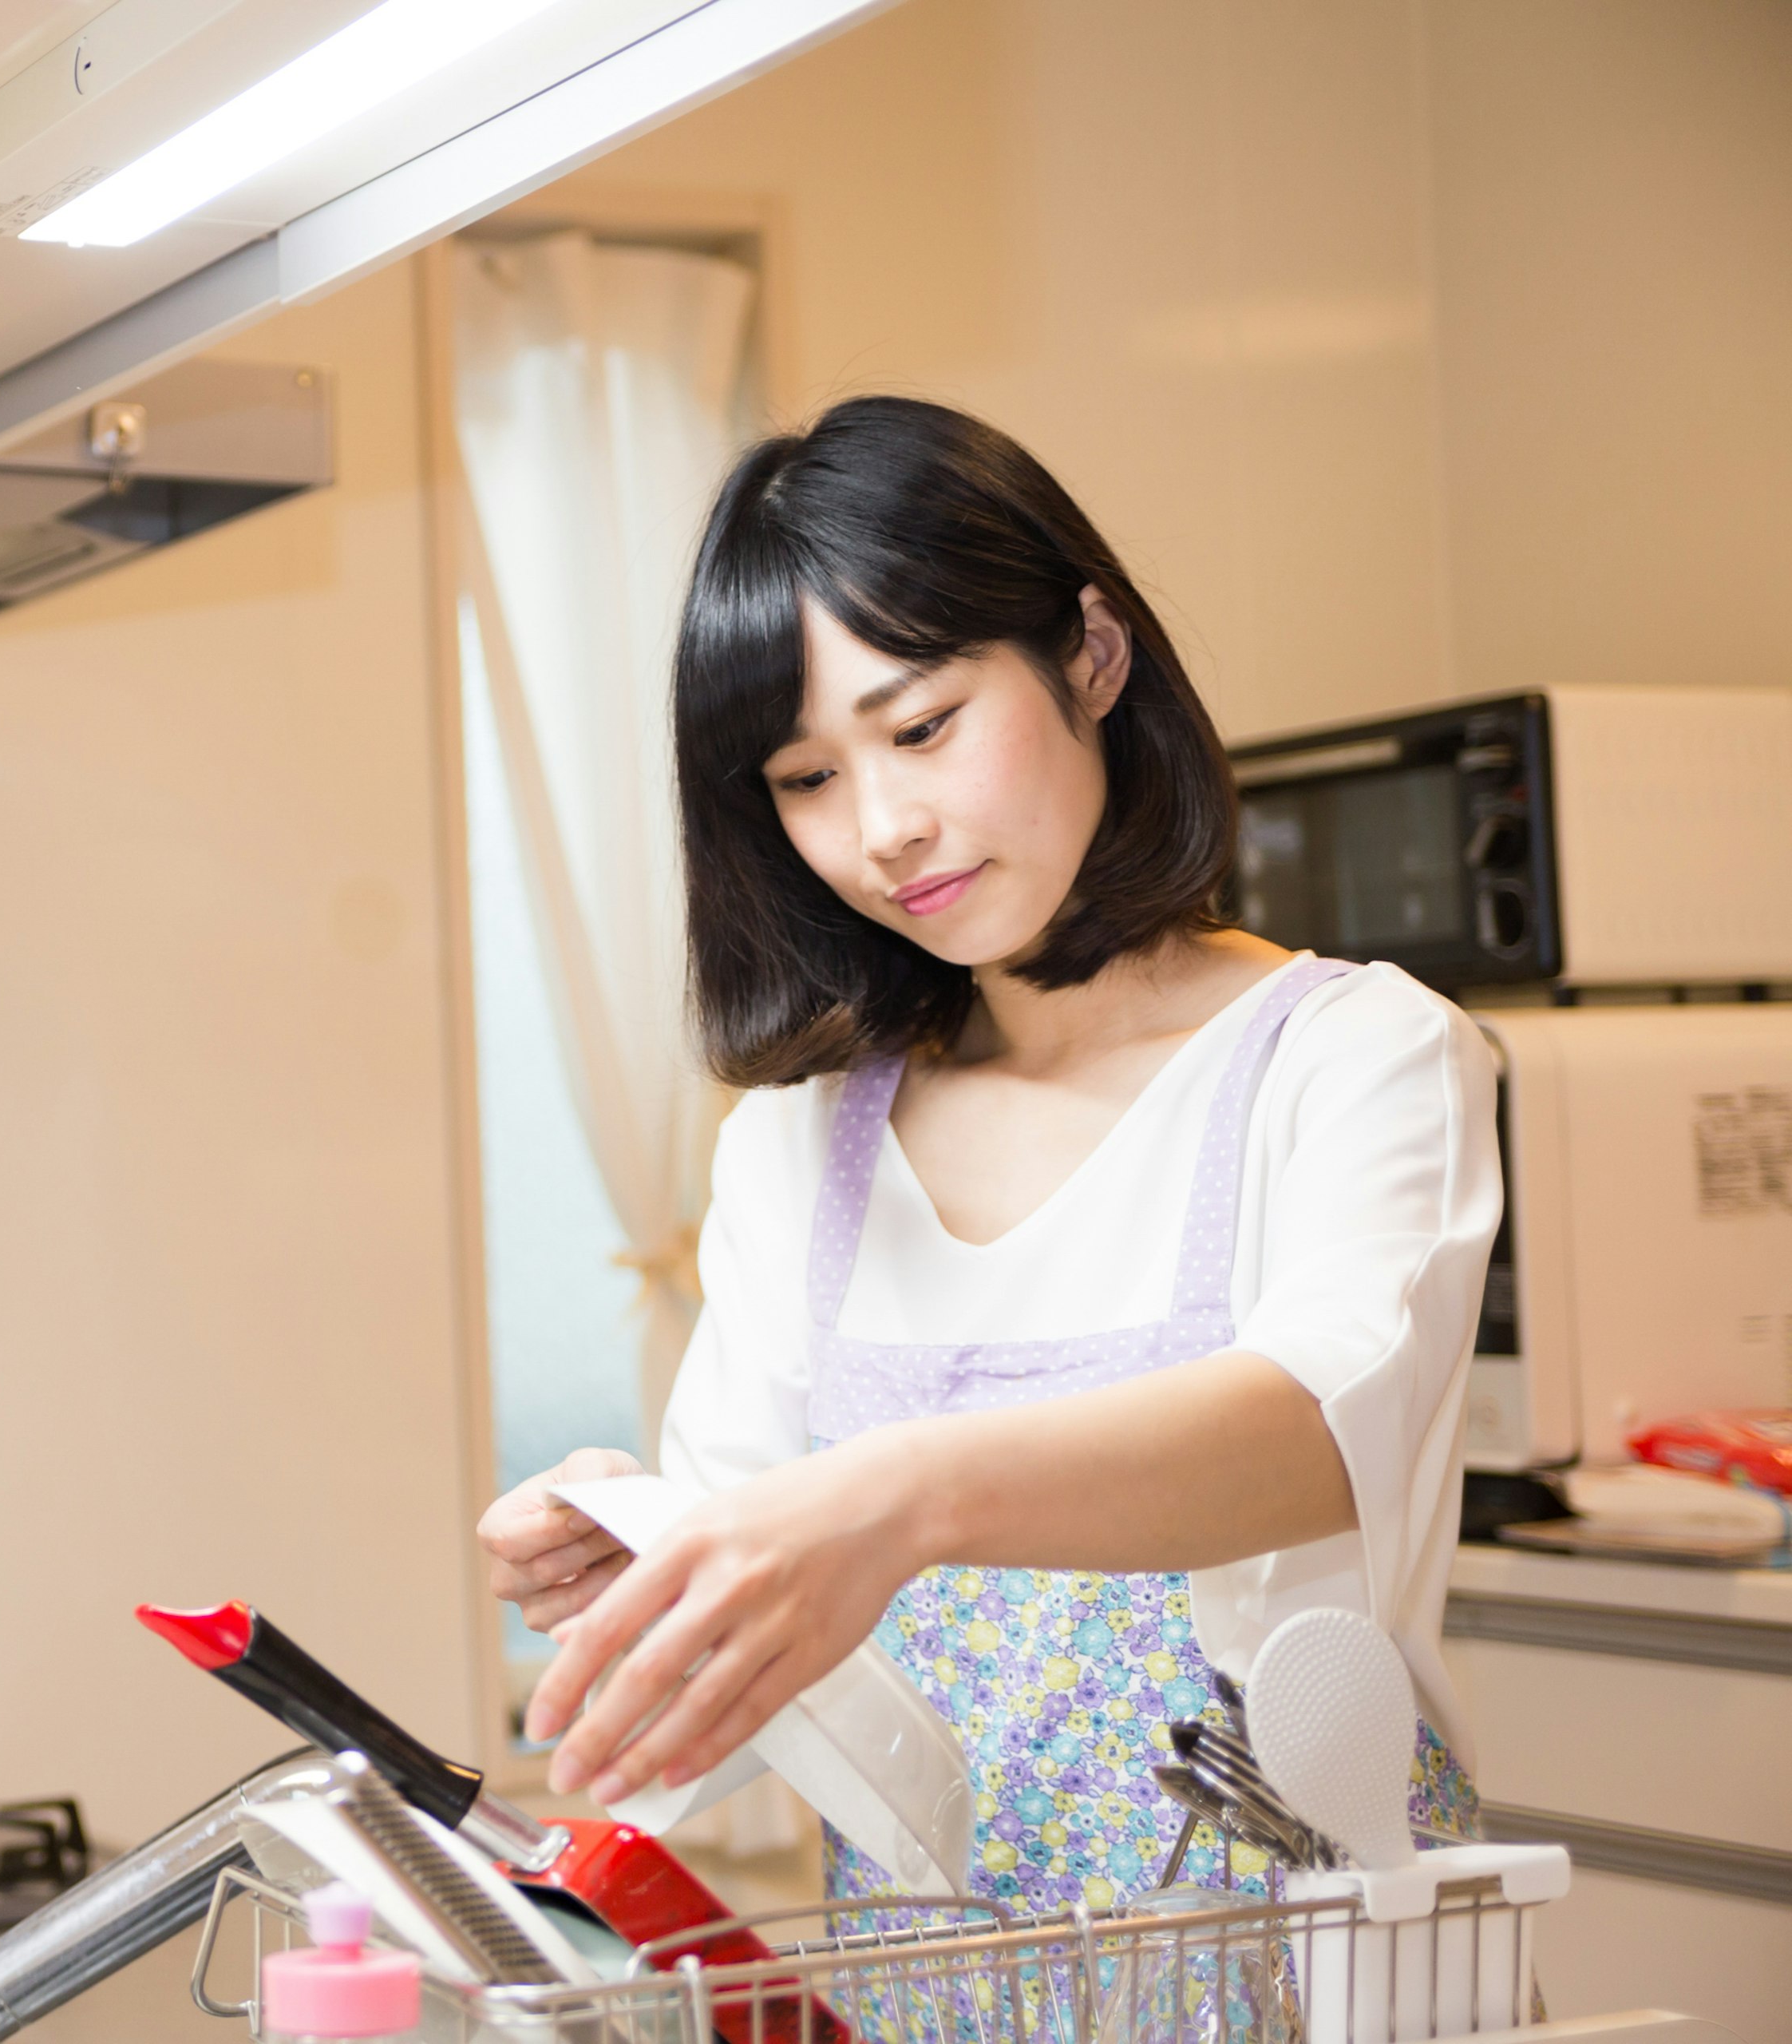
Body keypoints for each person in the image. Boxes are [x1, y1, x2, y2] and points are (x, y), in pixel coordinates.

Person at [476, 396, 1498, 1911]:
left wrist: (891, 1500)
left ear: (1093, 653)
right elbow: (773, 1635)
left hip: (1315, 1972)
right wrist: (658, 1573)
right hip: (936, 1987)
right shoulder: (799, 1143)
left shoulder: (1354, 1056)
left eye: (923, 726)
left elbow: (1317, 1431)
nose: (883, 826)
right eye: (807, 779)